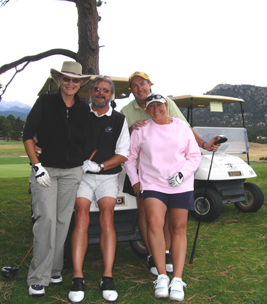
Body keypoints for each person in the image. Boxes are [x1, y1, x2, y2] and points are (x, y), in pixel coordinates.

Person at [120, 71, 221, 276]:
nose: (139, 88)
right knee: (145, 213)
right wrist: (131, 129)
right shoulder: (125, 111)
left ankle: (164, 252)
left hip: (169, 171)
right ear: (131, 90)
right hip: (142, 171)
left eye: (143, 84)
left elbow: (184, 129)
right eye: (135, 86)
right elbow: (121, 139)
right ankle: (152, 253)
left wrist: (202, 143)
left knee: (167, 217)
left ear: (150, 85)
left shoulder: (165, 103)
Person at [23, 61, 91, 297]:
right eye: (66, 78)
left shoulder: (84, 109)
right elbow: (27, 134)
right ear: (59, 80)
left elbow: (91, 139)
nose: (70, 83)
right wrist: (36, 165)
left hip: (72, 172)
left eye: (75, 80)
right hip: (46, 171)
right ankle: (37, 277)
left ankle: (54, 268)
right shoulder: (45, 102)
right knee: (47, 220)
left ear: (80, 83)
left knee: (63, 221)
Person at [125, 93, 201, 301]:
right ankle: (161, 276)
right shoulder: (142, 129)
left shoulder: (182, 127)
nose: (155, 109)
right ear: (147, 110)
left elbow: (194, 156)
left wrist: (182, 174)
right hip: (152, 184)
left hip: (180, 183)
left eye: (159, 105)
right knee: (154, 224)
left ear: (166, 106)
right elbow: (130, 159)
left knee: (178, 228)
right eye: (151, 106)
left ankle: (177, 278)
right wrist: (135, 182)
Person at [68, 76, 130, 303]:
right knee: (81, 214)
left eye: (105, 90)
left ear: (110, 94)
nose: (101, 93)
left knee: (107, 215)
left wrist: (101, 165)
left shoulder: (119, 120)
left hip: (108, 177)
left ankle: (107, 276)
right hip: (82, 176)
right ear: (91, 92)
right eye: (97, 89)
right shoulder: (81, 115)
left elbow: (123, 153)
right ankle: (77, 276)